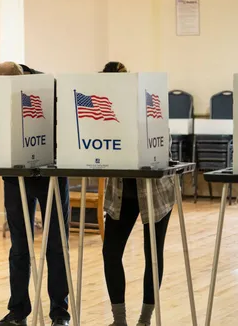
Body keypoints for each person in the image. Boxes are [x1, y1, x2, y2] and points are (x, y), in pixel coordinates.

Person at [0, 62, 71, 326]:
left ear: (21, 79)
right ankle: (17, 312)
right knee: (19, 247)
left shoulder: (47, 86)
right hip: (15, 176)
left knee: (56, 246)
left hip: (49, 172)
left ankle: (60, 314)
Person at [99, 61, 174, 326]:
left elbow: (165, 143)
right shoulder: (102, 109)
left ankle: (145, 319)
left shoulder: (148, 103)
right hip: (121, 193)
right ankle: (119, 319)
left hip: (154, 193)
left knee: (152, 255)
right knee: (110, 253)